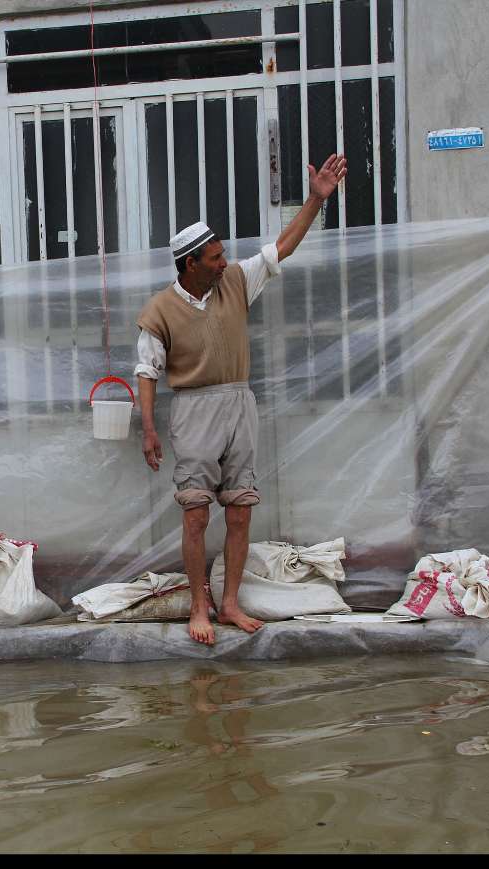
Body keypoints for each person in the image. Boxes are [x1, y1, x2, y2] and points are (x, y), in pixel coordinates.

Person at [135, 153, 348, 646]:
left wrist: (316, 199)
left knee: (240, 510)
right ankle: (199, 606)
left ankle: (229, 603)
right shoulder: (159, 310)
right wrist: (148, 427)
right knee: (194, 513)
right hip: (193, 410)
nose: (224, 262)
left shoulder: (234, 281)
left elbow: (281, 249)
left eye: (223, 255)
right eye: (214, 257)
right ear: (191, 264)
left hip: (239, 405)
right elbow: (147, 371)